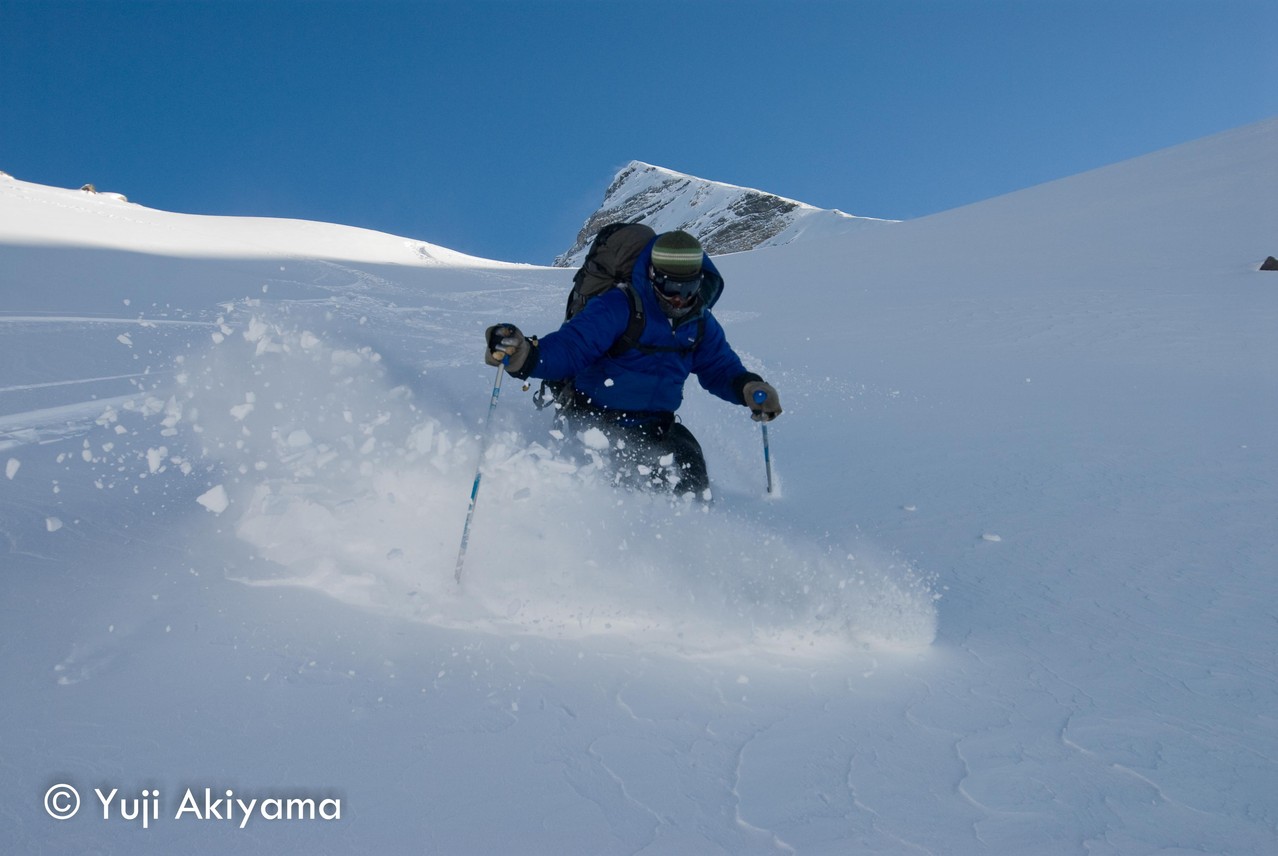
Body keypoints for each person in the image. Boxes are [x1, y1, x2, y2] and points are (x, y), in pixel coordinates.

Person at [484, 230, 781, 499]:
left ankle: (693, 535)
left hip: (656, 427)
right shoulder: (619, 306)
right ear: (653, 275)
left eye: (688, 288)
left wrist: (747, 387)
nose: (679, 299)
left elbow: (719, 367)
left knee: (692, 482)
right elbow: (572, 348)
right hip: (594, 422)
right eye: (669, 286)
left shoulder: (700, 322)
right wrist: (525, 355)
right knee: (604, 495)